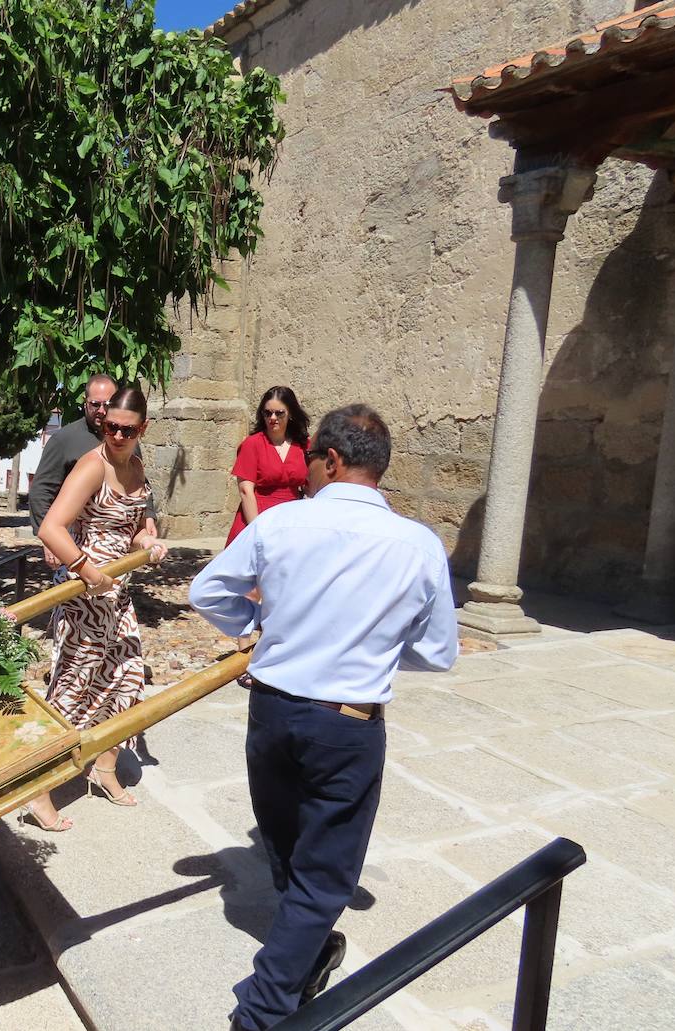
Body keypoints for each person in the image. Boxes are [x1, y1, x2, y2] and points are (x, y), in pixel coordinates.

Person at [189, 404, 459, 1031]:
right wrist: (377, 649)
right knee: (324, 873)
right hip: (347, 721)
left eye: (310, 461)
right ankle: (262, 1009)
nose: (306, 472)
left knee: (288, 845)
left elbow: (207, 591)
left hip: (274, 712)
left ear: (331, 461)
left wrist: (260, 626)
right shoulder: (418, 544)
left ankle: (304, 951)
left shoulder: (281, 524)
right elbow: (439, 652)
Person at [25, 387, 165, 830]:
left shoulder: (137, 467)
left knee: (125, 681)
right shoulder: (92, 466)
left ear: (142, 429)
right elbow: (51, 527)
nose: (117, 435)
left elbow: (138, 523)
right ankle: (38, 789)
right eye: (110, 427)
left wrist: (147, 540)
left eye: (127, 429)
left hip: (118, 597)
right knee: (71, 690)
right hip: (86, 601)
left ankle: (104, 769)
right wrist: (86, 569)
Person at [28, 375, 158, 569]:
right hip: (81, 554)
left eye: (107, 403)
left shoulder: (130, 447)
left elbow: (137, 484)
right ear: (85, 402)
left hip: (116, 567)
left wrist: (147, 516)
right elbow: (41, 491)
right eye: (95, 404)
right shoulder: (65, 441)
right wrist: (50, 540)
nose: (101, 410)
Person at [225, 386, 311, 547]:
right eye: (267, 413)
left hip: (291, 518)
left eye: (279, 413)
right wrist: (257, 531)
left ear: (291, 413)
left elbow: (311, 486)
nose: (272, 418)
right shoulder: (252, 444)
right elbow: (245, 491)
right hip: (257, 516)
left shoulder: (304, 445)